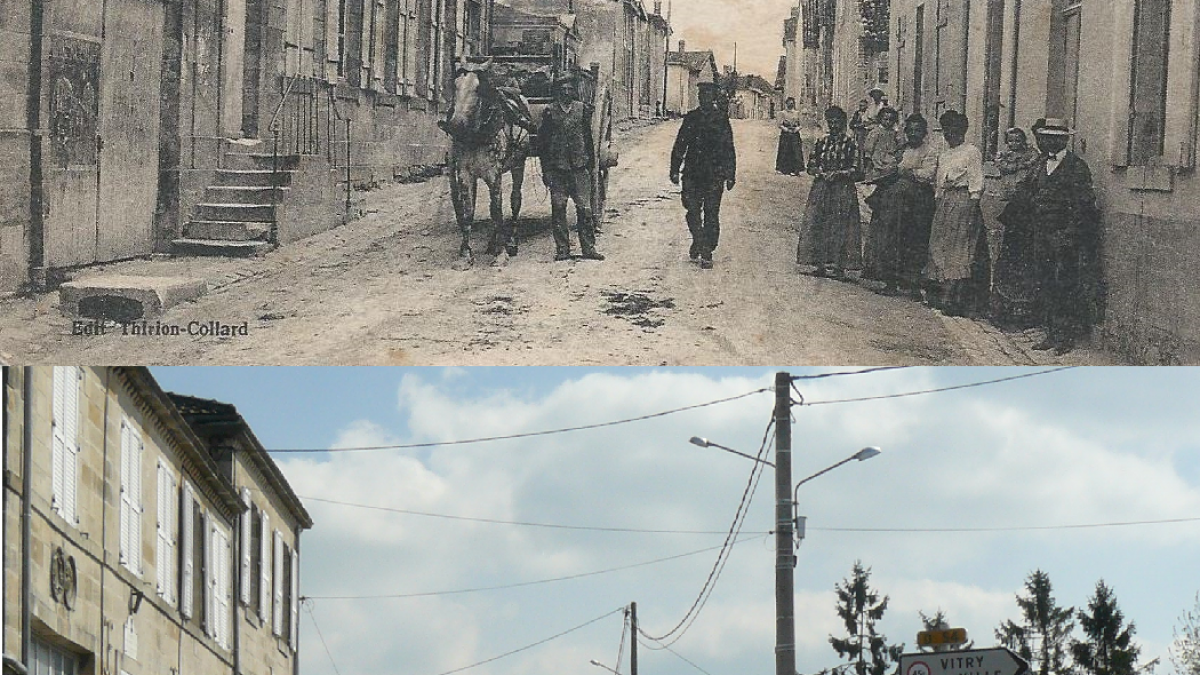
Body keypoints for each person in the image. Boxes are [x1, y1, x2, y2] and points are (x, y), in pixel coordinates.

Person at [1004, 117, 1102, 354]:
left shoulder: (1076, 167)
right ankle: (1050, 332)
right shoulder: (1040, 165)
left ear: (1063, 140)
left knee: (1065, 286)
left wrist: (1067, 235)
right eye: (1043, 137)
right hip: (1041, 236)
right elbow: (1027, 193)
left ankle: (1064, 337)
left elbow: (1084, 206)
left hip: (1064, 239)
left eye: (1051, 138)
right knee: (1044, 283)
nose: (1045, 142)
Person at [924, 110, 989, 316]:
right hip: (945, 202)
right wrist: (938, 200)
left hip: (963, 202)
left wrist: (972, 207)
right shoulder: (944, 155)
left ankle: (954, 298)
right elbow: (939, 183)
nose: (950, 134)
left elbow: (976, 182)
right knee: (939, 245)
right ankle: (940, 292)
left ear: (963, 131)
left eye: (955, 130)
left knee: (960, 249)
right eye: (947, 130)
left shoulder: (971, 152)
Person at [670, 81, 737, 270]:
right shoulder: (691, 118)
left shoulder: (721, 120)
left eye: (707, 95)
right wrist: (674, 169)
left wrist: (730, 174)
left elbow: (728, 149)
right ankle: (699, 240)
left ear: (713, 98)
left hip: (714, 175)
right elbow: (680, 144)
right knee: (692, 210)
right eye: (701, 96)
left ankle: (707, 248)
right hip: (692, 173)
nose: (703, 99)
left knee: (711, 212)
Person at [538, 74, 603, 261]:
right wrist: (546, 170)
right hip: (558, 169)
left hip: (579, 167)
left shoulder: (581, 110)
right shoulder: (550, 112)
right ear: (558, 92)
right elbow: (543, 144)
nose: (566, 92)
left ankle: (589, 248)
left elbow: (588, 139)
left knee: (585, 209)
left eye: (569, 89)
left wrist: (591, 165)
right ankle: (562, 249)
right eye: (563, 90)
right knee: (558, 208)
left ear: (573, 92)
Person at [987, 127, 1043, 327]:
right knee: (1008, 258)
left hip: (1029, 213)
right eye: (1011, 141)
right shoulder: (1007, 157)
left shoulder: (1035, 159)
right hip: (1013, 210)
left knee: (1025, 261)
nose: (1014, 144)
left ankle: (1022, 309)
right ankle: (1005, 307)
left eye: (1018, 140)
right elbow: (1002, 167)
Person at [798, 105, 862, 280]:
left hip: (842, 189)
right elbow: (810, 164)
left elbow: (856, 169)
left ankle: (839, 266)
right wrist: (819, 171)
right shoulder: (822, 142)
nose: (834, 125)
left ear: (843, 123)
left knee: (841, 225)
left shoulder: (851, 143)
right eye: (831, 121)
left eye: (837, 122)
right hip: (822, 187)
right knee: (819, 222)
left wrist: (840, 174)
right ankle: (819, 264)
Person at [860, 106, 904, 283]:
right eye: (885, 119)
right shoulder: (875, 132)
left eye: (890, 120)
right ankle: (871, 263)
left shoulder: (894, 134)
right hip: (878, 169)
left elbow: (899, 150)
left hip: (889, 168)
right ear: (880, 119)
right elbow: (868, 152)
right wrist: (871, 169)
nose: (887, 122)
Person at [776, 97, 805, 175]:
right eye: (789, 103)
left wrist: (797, 129)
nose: (791, 104)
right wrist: (786, 129)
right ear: (786, 104)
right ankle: (783, 169)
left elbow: (801, 124)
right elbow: (779, 124)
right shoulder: (782, 113)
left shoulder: (797, 113)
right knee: (784, 151)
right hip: (785, 135)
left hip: (795, 134)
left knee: (796, 151)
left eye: (792, 103)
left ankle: (796, 170)